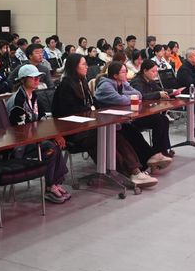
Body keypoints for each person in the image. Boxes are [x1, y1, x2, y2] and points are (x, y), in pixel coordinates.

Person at [52, 54, 156, 187]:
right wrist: (91, 110)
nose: (87, 67)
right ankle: (126, 172)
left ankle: (134, 170)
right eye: (83, 64)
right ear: (74, 67)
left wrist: (96, 109)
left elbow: (92, 102)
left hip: (88, 125)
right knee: (106, 135)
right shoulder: (66, 85)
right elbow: (67, 111)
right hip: (73, 130)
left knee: (114, 133)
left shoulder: (82, 82)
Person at [6, 64, 70, 203]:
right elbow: (20, 130)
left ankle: (55, 183)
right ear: (23, 79)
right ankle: (50, 187)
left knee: (55, 143)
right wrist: (46, 137)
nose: (37, 80)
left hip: (34, 138)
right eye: (33, 78)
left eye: (38, 77)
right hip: (20, 145)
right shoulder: (17, 100)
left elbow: (42, 119)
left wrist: (54, 135)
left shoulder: (34, 96)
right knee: (50, 147)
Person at [94, 61, 172, 170]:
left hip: (121, 119)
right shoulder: (106, 85)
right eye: (123, 72)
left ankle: (153, 156)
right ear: (115, 75)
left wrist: (124, 95)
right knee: (132, 133)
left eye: (126, 71)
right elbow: (121, 100)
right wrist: (127, 96)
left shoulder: (123, 83)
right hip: (107, 122)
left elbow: (138, 95)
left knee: (138, 131)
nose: (126, 74)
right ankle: (146, 161)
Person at [130, 60, 185, 156]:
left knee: (164, 119)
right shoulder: (137, 82)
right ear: (145, 71)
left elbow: (160, 90)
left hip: (149, 112)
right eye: (153, 71)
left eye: (156, 71)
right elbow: (142, 96)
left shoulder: (151, 81)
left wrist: (173, 91)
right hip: (139, 115)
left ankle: (163, 149)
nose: (155, 74)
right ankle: (157, 151)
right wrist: (158, 94)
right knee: (159, 121)